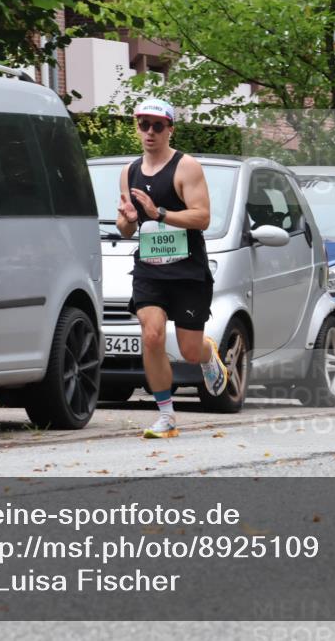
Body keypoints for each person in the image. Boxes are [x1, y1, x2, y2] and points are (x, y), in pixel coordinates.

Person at [115, 98, 229, 438]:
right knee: (150, 336)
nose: (149, 132)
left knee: (189, 351)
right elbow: (126, 228)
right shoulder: (130, 171)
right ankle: (166, 416)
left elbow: (202, 217)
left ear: (169, 129)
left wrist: (159, 213)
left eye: (157, 126)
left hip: (187, 271)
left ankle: (210, 354)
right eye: (143, 125)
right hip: (150, 268)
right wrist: (129, 220)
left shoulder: (186, 167)